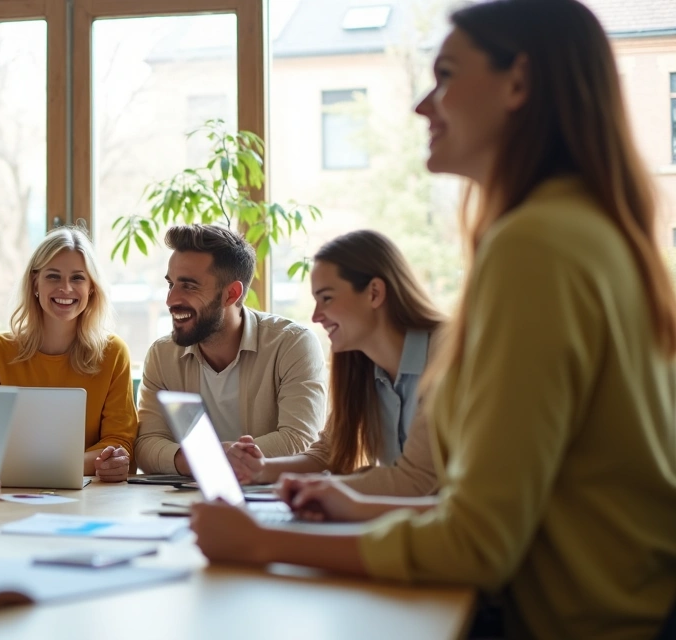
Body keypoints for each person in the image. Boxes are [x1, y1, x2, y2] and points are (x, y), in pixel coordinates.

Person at [190, 1, 676, 637]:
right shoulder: (593, 232)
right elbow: (488, 508)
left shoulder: (537, 246)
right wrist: (357, 502)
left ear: (519, 83)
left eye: (446, 75)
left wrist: (263, 544)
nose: (424, 105)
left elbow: (478, 540)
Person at [226, 230, 443, 496]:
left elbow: (418, 481)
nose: (316, 316)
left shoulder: (448, 355)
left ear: (374, 292)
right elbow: (327, 454)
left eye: (326, 298)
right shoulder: (361, 366)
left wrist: (316, 489)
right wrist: (260, 469)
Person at [134, 224, 327, 475]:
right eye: (171, 284)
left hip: (272, 498)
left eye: (189, 286)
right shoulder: (162, 355)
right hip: (187, 499)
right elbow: (147, 445)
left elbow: (300, 440)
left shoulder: (292, 344)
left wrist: (217, 457)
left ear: (231, 294)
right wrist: (204, 459)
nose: (171, 300)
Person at [0, 227, 136, 482]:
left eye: (78, 278)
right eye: (53, 276)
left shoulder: (113, 353)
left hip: (92, 496)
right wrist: (86, 463)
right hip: (11, 493)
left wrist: (110, 462)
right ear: (35, 283)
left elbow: (119, 443)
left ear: (92, 288)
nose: (66, 288)